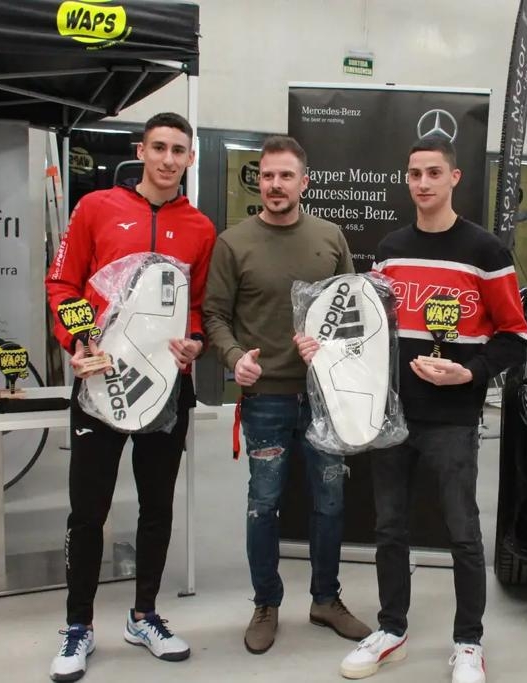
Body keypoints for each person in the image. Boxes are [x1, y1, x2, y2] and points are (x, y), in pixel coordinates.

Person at [297, 135, 527, 683]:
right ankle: (391, 630)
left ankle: (468, 643)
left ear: (454, 178)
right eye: (414, 174)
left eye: (433, 173)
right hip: (393, 415)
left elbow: (515, 335)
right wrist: (321, 346)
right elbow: (368, 332)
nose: (422, 183)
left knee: (463, 533)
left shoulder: (486, 251)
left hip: (453, 418)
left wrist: (470, 372)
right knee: (390, 528)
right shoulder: (392, 249)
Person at [45, 112, 215, 682]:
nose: (168, 159)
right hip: (99, 382)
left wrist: (195, 341)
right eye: (159, 147)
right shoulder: (96, 208)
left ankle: (144, 616)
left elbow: (198, 306)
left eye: (178, 150)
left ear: (190, 158)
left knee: (157, 507)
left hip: (166, 389)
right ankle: (78, 625)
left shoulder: (200, 228)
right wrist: (77, 337)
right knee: (87, 511)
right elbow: (63, 284)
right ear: (141, 151)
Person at [203, 135, 372, 656]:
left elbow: (354, 313)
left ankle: (325, 599)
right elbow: (214, 315)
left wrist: (332, 346)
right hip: (266, 400)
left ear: (304, 181)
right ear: (260, 181)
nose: (275, 185)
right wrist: (235, 358)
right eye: (267, 176)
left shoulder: (329, 237)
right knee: (263, 505)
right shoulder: (234, 243)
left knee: (330, 502)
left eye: (285, 176)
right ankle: (266, 604)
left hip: (324, 399)